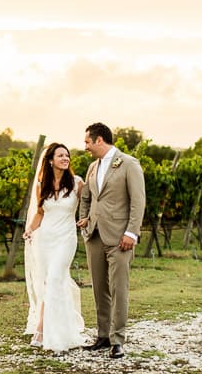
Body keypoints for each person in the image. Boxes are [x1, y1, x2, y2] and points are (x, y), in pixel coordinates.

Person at [77, 123, 146, 359]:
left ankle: (118, 339)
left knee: (119, 288)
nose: (85, 146)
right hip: (95, 235)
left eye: (87, 142)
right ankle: (103, 336)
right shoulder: (91, 168)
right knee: (99, 288)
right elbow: (86, 197)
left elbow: (138, 202)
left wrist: (131, 233)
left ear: (99, 140)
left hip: (120, 237)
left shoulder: (129, 164)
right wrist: (84, 219)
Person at [23, 142, 86, 352]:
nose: (65, 158)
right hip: (45, 239)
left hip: (66, 238)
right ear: (50, 161)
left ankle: (42, 329)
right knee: (48, 283)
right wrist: (30, 230)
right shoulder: (42, 185)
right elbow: (40, 214)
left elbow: (89, 205)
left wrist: (86, 219)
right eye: (60, 156)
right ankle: (55, 328)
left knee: (56, 278)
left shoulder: (77, 183)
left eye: (67, 156)